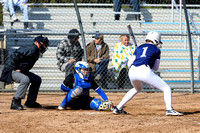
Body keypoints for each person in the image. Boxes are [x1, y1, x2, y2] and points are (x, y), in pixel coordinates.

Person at [113, 31, 184, 116]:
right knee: (166, 88)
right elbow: (156, 68)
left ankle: (118, 108)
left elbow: (129, 64)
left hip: (132, 71)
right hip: (144, 70)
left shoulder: (139, 48)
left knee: (137, 89)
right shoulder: (156, 50)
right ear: (155, 40)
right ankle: (169, 109)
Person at [0, 35, 49, 110]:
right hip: (9, 69)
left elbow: (24, 64)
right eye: (42, 44)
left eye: (44, 44)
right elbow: (14, 55)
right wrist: (14, 68)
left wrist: (21, 69)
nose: (44, 46)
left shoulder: (36, 51)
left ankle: (30, 102)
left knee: (37, 79)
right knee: (25, 79)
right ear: (35, 42)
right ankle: (15, 102)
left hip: (18, 70)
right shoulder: (31, 49)